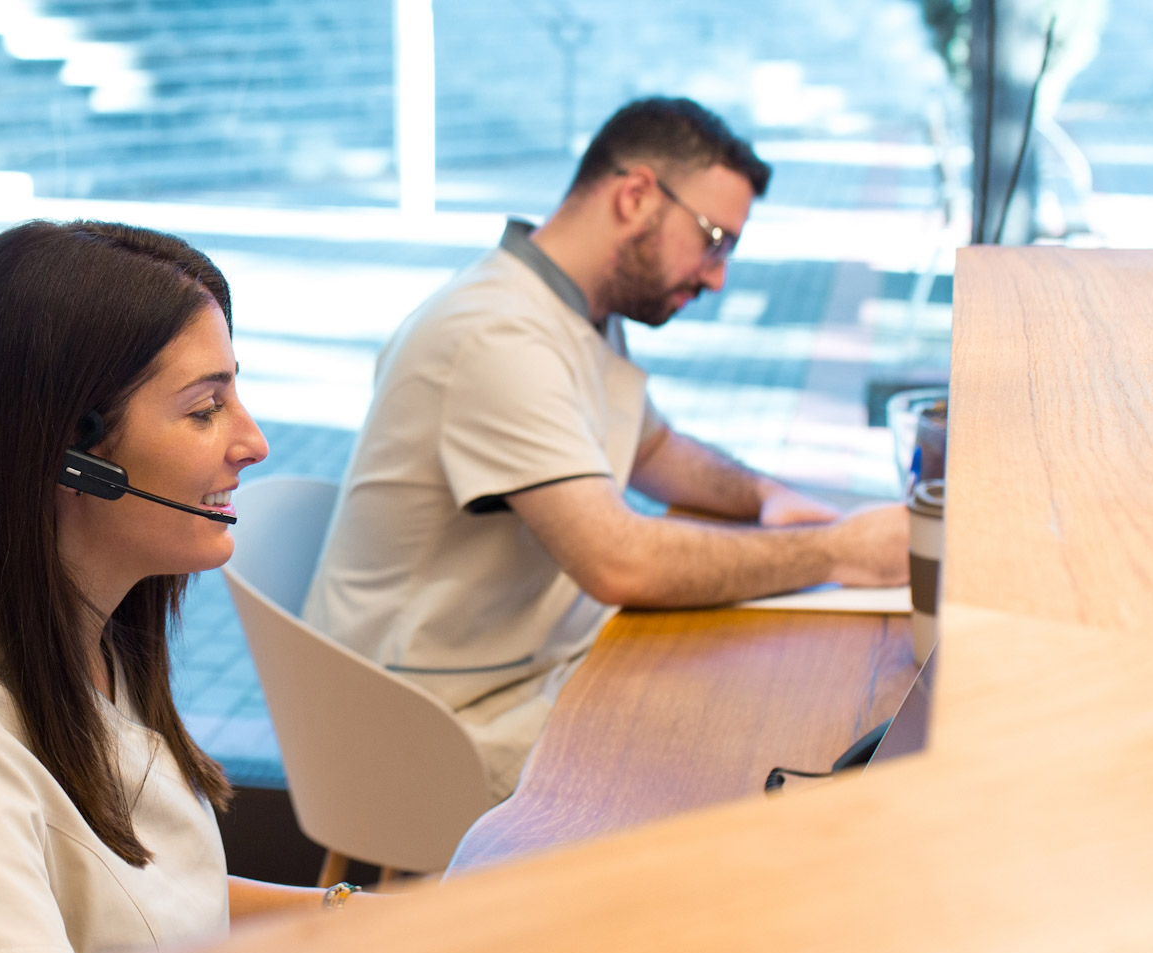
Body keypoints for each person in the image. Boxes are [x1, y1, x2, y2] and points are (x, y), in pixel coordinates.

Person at [0, 220, 362, 953]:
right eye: (205, 410)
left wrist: (361, 917)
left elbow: (152, 911)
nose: (253, 442)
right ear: (72, 457)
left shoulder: (87, 638)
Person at [304, 97, 909, 799]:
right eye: (715, 239)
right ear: (635, 197)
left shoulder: (572, 306)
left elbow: (654, 447)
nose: (718, 277)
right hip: (433, 725)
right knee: (742, 751)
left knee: (761, 703)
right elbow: (618, 560)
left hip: (529, 669)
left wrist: (767, 497)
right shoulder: (496, 334)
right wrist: (837, 551)